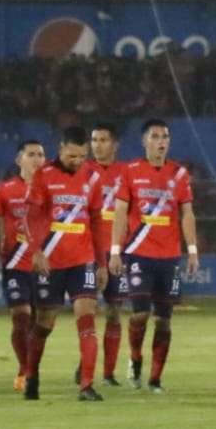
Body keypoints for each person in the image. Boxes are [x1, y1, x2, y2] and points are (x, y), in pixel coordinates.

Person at [108, 118, 198, 393]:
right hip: (138, 254)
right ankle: (135, 359)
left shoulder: (179, 174)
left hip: (169, 257)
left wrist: (192, 251)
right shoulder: (130, 171)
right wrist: (115, 251)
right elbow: (120, 213)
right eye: (156, 136)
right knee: (139, 315)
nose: (161, 141)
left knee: (164, 320)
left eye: (165, 137)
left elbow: (186, 213)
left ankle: (156, 379)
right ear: (145, 141)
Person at [24, 126, 107, 401]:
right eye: (72, 156)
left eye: (82, 156)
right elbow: (31, 217)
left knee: (87, 317)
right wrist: (36, 251)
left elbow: (96, 221)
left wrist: (102, 262)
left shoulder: (93, 177)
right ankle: (31, 376)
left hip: (82, 260)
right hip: (51, 261)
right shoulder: (44, 175)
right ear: (61, 150)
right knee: (45, 322)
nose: (78, 161)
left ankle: (86, 385)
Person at [0, 140, 46, 392]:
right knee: (21, 318)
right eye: (31, 154)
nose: (37, 159)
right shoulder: (5, 190)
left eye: (41, 155)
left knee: (39, 323)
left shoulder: (51, 190)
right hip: (15, 264)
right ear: (19, 160)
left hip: (44, 266)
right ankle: (25, 370)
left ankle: (32, 366)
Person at [85, 122, 129, 385]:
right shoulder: (83, 171)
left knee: (114, 311)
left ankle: (108, 373)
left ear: (115, 145)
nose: (97, 145)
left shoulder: (127, 173)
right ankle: (86, 363)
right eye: (94, 139)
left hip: (117, 253)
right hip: (86, 252)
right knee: (86, 310)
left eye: (103, 139)